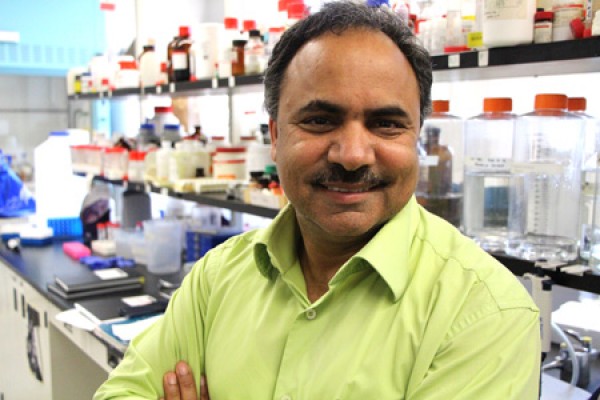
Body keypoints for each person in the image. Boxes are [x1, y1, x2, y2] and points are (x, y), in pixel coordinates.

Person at [94, 2, 541, 399]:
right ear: (275, 136)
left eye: (386, 124)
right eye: (320, 120)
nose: (352, 155)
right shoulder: (217, 278)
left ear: (416, 137)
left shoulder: (485, 313)